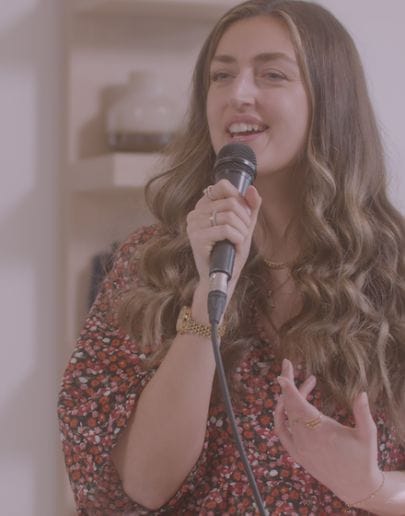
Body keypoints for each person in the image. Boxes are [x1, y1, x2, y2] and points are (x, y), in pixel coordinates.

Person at [57, 0, 405, 514]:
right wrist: (207, 300)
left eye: (272, 74)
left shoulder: (394, 269)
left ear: (330, 98)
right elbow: (140, 487)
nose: (238, 94)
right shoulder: (149, 262)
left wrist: (369, 487)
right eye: (221, 76)